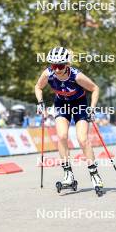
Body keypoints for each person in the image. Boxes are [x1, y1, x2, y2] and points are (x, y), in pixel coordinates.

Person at [35, 47, 103, 189]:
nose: (57, 70)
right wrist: (41, 103)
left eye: (60, 66)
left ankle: (94, 173)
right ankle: (68, 174)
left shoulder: (76, 76)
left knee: (82, 139)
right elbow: (38, 87)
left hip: (79, 104)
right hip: (61, 104)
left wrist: (92, 108)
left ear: (67, 64)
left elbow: (95, 88)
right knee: (61, 136)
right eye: (54, 66)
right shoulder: (48, 74)